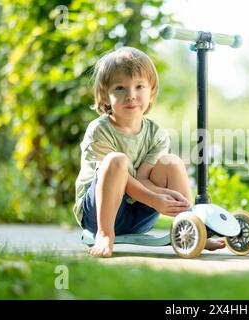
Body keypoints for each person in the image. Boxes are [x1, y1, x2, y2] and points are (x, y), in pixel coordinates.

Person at [73, 46, 225, 257]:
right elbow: (123, 180)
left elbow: (143, 180)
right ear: (105, 96)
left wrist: (163, 195)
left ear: (151, 93)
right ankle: (105, 235)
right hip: (99, 212)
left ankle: (193, 227)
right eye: (120, 88)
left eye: (139, 87)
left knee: (171, 162)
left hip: (139, 214)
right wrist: (156, 199)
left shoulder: (156, 133)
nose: (131, 96)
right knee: (116, 161)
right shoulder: (99, 130)